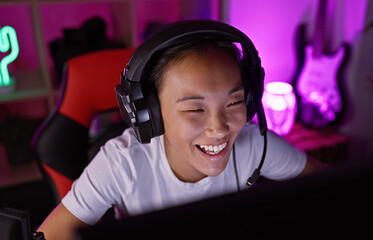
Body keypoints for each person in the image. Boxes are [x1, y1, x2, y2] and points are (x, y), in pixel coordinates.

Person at [37, 20, 327, 239]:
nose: (219, 128)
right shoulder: (122, 163)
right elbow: (51, 234)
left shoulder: (253, 143)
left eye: (234, 101)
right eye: (195, 109)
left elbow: (332, 188)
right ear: (151, 112)